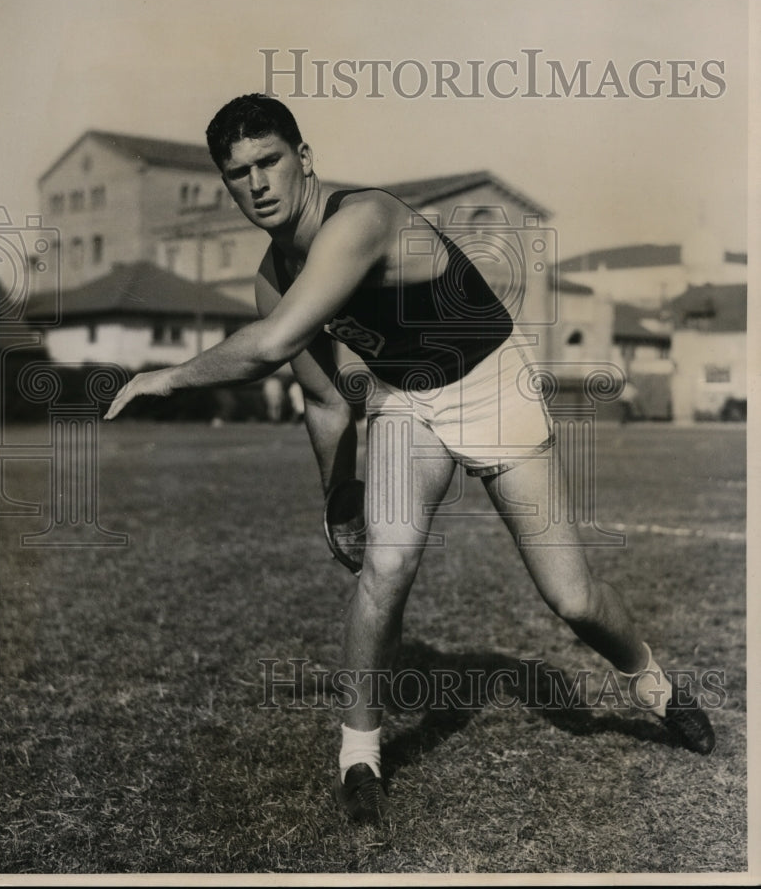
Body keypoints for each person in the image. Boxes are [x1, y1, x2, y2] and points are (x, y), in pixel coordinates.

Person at [105, 94, 715, 824]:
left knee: (572, 599)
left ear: (303, 160)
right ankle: (358, 755)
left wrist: (163, 375)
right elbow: (327, 398)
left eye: (269, 162)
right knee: (386, 567)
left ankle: (651, 683)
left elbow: (266, 349)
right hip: (405, 398)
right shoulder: (272, 275)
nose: (257, 183)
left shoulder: (363, 218)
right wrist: (337, 494)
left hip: (493, 382)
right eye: (238, 174)